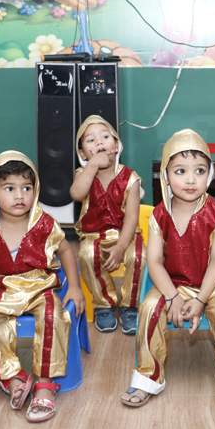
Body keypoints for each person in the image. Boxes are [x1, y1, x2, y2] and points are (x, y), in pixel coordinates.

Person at [120, 129, 215, 417]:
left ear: (210, 174)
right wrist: (172, 297)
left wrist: (202, 299)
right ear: (166, 176)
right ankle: (148, 377)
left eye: (199, 171)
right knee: (149, 308)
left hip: (210, 284)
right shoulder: (159, 215)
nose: (191, 179)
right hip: (171, 284)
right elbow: (155, 262)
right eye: (181, 171)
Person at [0, 151, 85, 423]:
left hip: (39, 285)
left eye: (26, 188)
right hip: (0, 285)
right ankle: (13, 378)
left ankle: (45, 383)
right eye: (9, 188)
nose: (19, 196)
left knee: (54, 316)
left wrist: (74, 286)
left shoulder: (45, 223)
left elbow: (66, 250)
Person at [70, 115, 146, 334]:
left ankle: (130, 306)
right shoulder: (82, 175)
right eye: (91, 140)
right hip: (94, 235)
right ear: (82, 153)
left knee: (139, 256)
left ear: (117, 145)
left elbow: (131, 219)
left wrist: (121, 247)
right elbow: (76, 194)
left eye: (105, 137)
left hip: (125, 234)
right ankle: (103, 304)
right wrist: (92, 164)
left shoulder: (131, 178)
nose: (99, 142)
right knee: (86, 255)